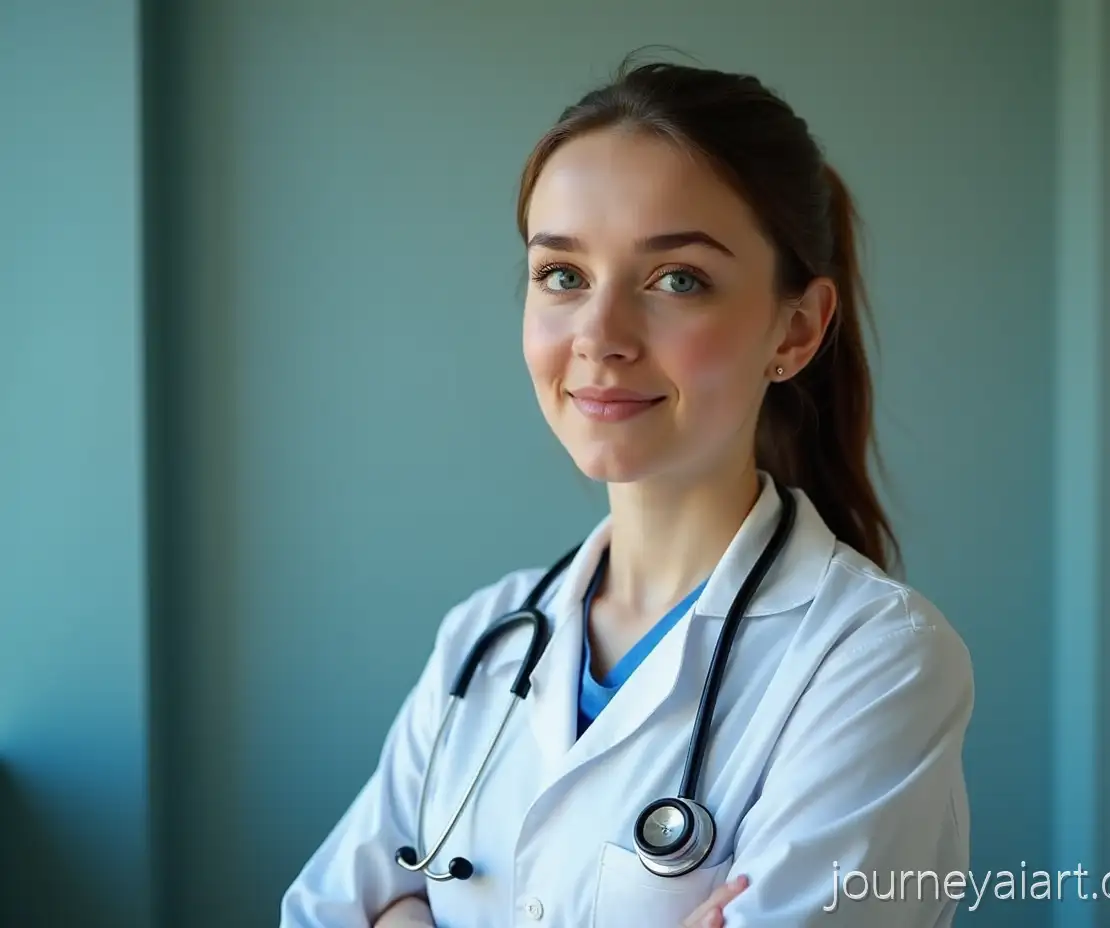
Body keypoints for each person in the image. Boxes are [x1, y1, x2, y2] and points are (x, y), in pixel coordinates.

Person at [280, 53, 975, 928]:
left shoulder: (876, 662)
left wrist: (407, 917)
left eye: (676, 280)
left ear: (796, 330)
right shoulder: (483, 641)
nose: (599, 336)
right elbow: (320, 913)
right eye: (562, 275)